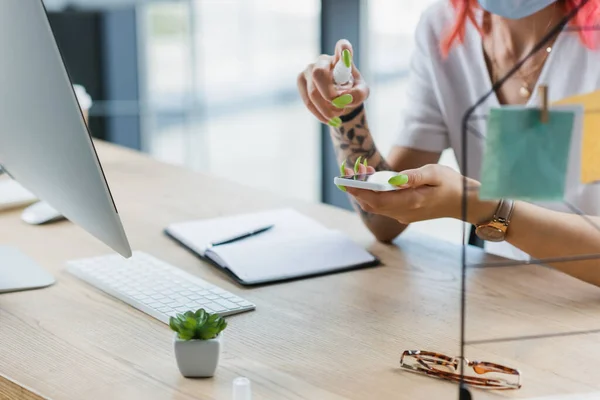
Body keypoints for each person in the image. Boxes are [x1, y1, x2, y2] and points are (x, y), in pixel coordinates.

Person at [297, 0, 600, 286]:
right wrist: (346, 111)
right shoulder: (442, 30)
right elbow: (383, 221)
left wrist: (481, 206)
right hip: (506, 299)